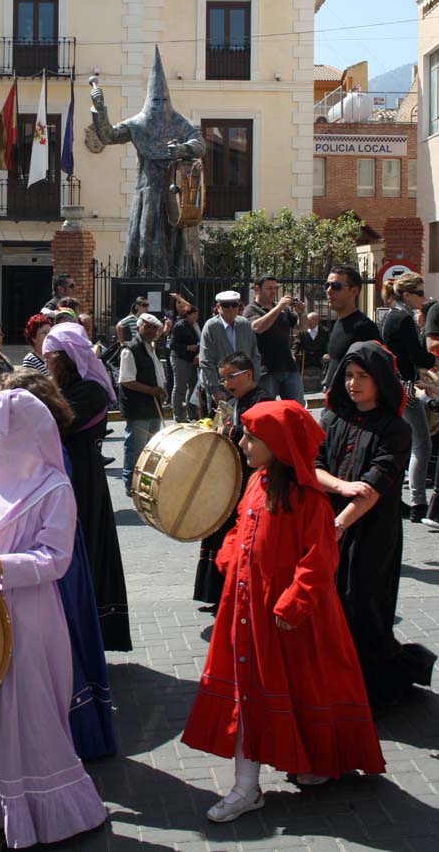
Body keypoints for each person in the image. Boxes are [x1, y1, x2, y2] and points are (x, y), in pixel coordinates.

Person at [182, 401, 385, 823]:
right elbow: (239, 527)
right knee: (249, 689)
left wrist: (293, 601)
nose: (243, 443)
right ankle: (246, 785)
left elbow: (319, 557)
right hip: (247, 607)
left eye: (252, 437)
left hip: (282, 614)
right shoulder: (256, 481)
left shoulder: (306, 497)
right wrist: (229, 557)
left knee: (294, 687)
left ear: (278, 444)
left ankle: (302, 763)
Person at [0, 389, 107, 852]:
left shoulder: (56, 489)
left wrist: (4, 566)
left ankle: (42, 813)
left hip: (32, 618)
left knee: (28, 711)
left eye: (1, 434)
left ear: (28, 435)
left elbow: (56, 559)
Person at [0, 368, 116, 760]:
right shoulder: (24, 452)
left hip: (48, 572)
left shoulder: (51, 459)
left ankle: (66, 736)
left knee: (58, 649)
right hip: (25, 567)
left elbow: (52, 541)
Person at [315, 341, 436, 709]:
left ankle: (369, 691)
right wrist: (338, 487)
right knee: (330, 605)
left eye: (362, 376)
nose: (353, 383)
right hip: (332, 527)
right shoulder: (332, 420)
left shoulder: (395, 430)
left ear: (379, 381)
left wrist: (340, 522)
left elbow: (375, 486)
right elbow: (314, 466)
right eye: (349, 375)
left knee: (362, 604)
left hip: (371, 533)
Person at [43, 322, 132, 652]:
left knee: (85, 553)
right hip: (65, 480)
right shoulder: (68, 389)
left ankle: (84, 634)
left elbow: (56, 426)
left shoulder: (90, 391)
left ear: (65, 358)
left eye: (51, 357)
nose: (47, 363)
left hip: (83, 483)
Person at [90, 46, 206, 273]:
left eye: (163, 99)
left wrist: (183, 149)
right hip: (148, 194)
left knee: (180, 247)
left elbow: (200, 145)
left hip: (178, 196)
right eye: (156, 99)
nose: (160, 104)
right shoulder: (137, 124)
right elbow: (108, 135)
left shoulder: (181, 123)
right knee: (146, 243)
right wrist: (99, 108)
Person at [193, 352, 269, 608]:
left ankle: (234, 593)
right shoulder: (237, 401)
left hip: (250, 479)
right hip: (231, 479)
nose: (226, 383)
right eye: (223, 378)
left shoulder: (262, 400)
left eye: (231, 377)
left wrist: (223, 430)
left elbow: (255, 432)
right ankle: (217, 594)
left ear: (248, 374)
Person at [381, 272, 437, 522]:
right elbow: (414, 353)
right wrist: (432, 360)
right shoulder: (403, 318)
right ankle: (418, 503)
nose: (423, 299)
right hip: (405, 385)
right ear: (407, 294)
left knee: (407, 441)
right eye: (420, 293)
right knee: (421, 444)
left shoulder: (396, 315)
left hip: (399, 383)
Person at [118, 312, 166, 495]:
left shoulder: (151, 347)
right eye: (148, 327)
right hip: (138, 407)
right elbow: (127, 380)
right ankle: (130, 481)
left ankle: (145, 480)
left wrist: (161, 389)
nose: (152, 331)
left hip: (152, 406)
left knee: (151, 446)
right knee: (135, 447)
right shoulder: (130, 349)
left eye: (154, 328)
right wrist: (152, 390)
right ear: (139, 328)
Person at [243, 274, 308, 404]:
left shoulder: (283, 310)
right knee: (267, 409)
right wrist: (278, 308)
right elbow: (258, 328)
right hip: (266, 370)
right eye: (269, 288)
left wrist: (302, 313)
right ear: (257, 289)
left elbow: (302, 327)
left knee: (297, 408)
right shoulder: (251, 309)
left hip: (289, 367)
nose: (273, 291)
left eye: (275, 288)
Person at [199, 291, 261, 412]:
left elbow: (255, 355)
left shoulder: (245, 324)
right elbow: (206, 360)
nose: (230, 309)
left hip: (244, 386)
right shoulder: (211, 326)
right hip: (221, 387)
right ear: (218, 307)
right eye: (226, 305)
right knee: (219, 425)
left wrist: (254, 381)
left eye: (234, 305)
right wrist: (214, 389)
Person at [321, 265, 380, 388]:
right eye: (327, 285)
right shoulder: (339, 323)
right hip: (334, 404)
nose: (329, 291)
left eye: (336, 286)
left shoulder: (364, 328)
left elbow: (376, 372)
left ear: (354, 291)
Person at [168, 294, 201, 422]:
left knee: (193, 387)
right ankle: (178, 414)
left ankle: (192, 413)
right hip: (180, 358)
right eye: (194, 314)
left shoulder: (194, 326)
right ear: (187, 314)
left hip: (192, 360)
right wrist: (188, 347)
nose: (196, 317)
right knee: (180, 387)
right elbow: (172, 344)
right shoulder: (180, 325)